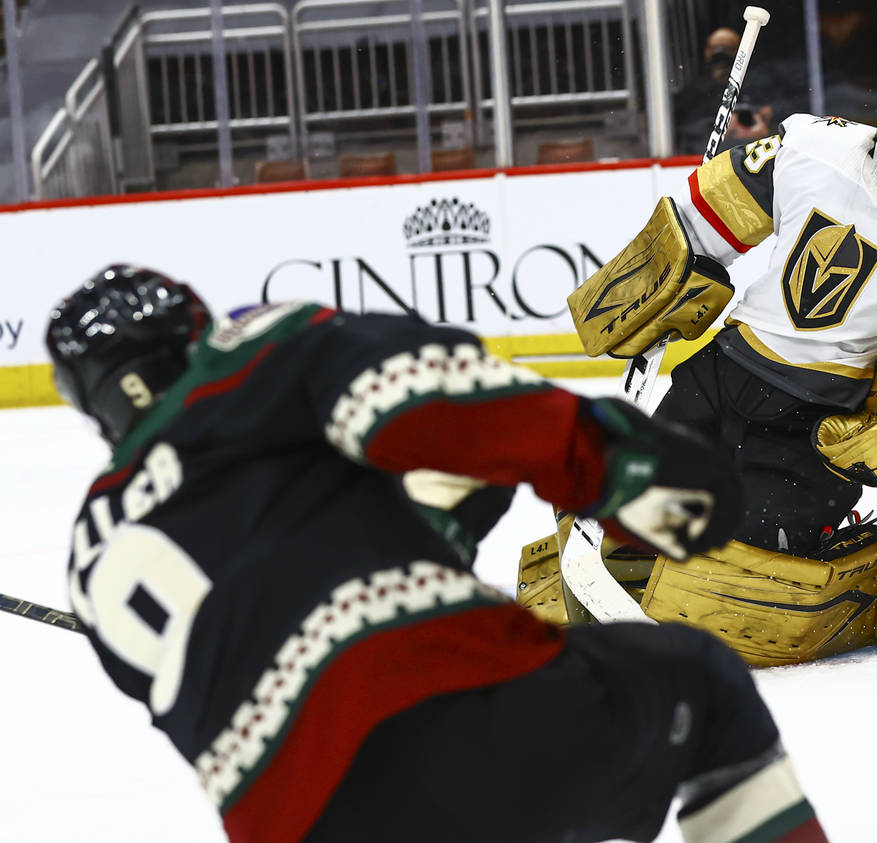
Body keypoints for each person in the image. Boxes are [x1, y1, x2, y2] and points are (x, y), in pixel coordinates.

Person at [48, 266, 830, 842]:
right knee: (700, 684)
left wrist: (427, 540)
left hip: (292, 824)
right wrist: (620, 465)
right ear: (194, 332)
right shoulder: (246, 360)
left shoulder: (91, 545)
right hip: (456, 723)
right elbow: (416, 392)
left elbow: (267, 599)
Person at [548, 71, 877, 667]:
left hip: (826, 418)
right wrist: (675, 269)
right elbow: (710, 214)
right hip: (727, 370)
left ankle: (856, 557)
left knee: (750, 567)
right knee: (621, 501)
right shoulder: (813, 148)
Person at [674, 26, 777, 155]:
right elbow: (683, 129)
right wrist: (718, 128)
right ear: (706, 52)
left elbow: (781, 116)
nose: (720, 54)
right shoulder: (694, 91)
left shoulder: (759, 86)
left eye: (728, 49)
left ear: (741, 51)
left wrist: (767, 131)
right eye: (715, 49)